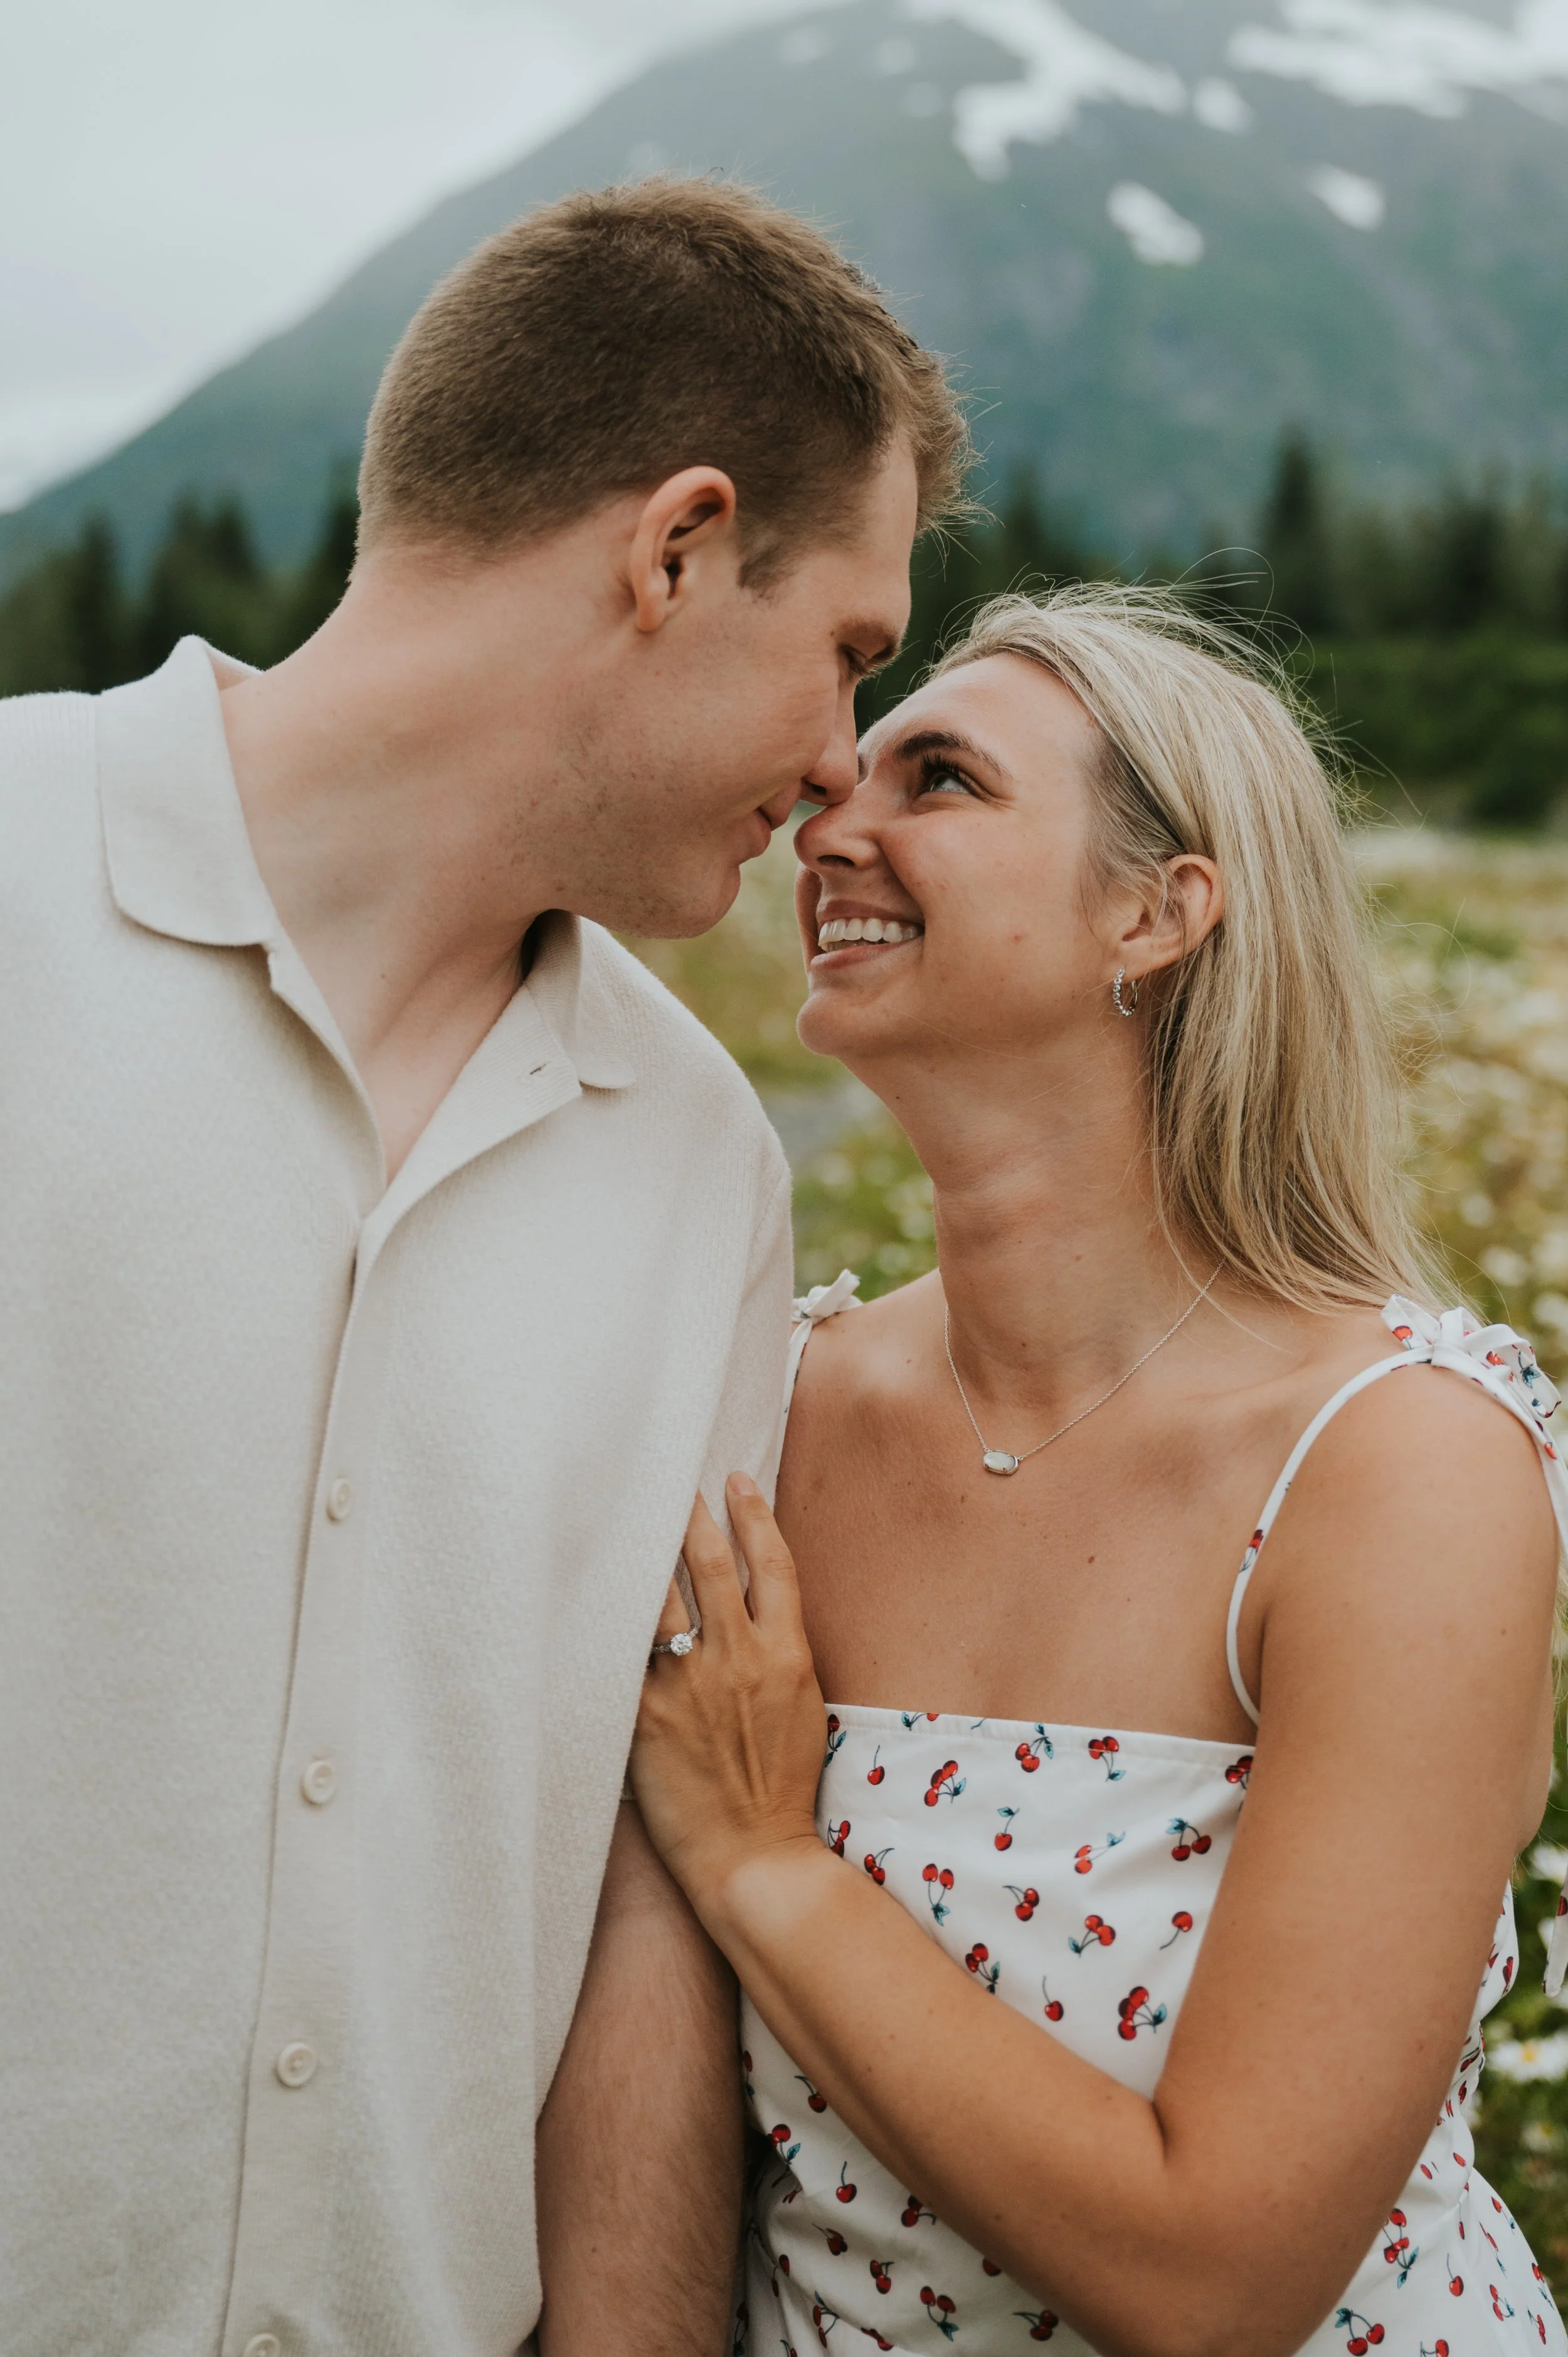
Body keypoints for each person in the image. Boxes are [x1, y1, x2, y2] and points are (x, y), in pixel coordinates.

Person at [0, 178, 966, 2357]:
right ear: (676, 545)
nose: (838, 771)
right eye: (846, 654)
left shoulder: (703, 1162)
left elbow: (642, 1883)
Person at [632, 583, 1568, 2357]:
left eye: (943, 779)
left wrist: (769, 1864)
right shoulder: (773, 1400)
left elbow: (1215, 2275)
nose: (834, 814)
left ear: (1156, 910)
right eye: (857, 765)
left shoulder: (1395, 1466)